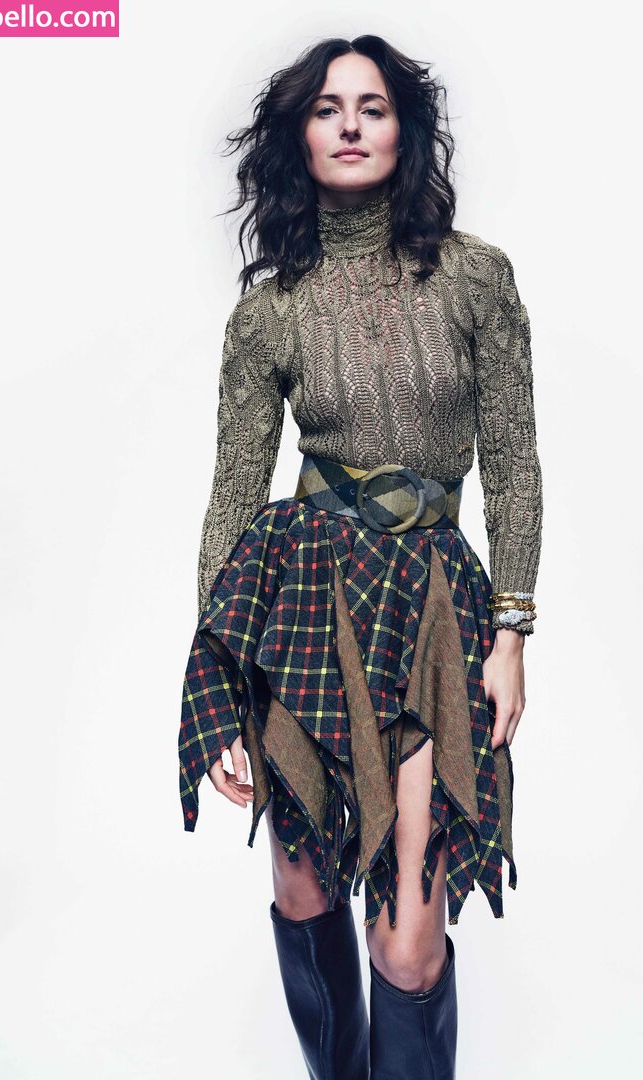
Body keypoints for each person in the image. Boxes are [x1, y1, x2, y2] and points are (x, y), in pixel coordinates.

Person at [178, 33, 543, 1079]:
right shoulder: (269, 311)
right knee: (301, 890)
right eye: (327, 108)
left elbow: (513, 461)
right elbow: (233, 493)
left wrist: (512, 630)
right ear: (299, 136)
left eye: (372, 107)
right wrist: (217, 677)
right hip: (302, 605)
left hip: (433, 616)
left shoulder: (476, 278)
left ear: (402, 129)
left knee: (407, 941)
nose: (349, 125)